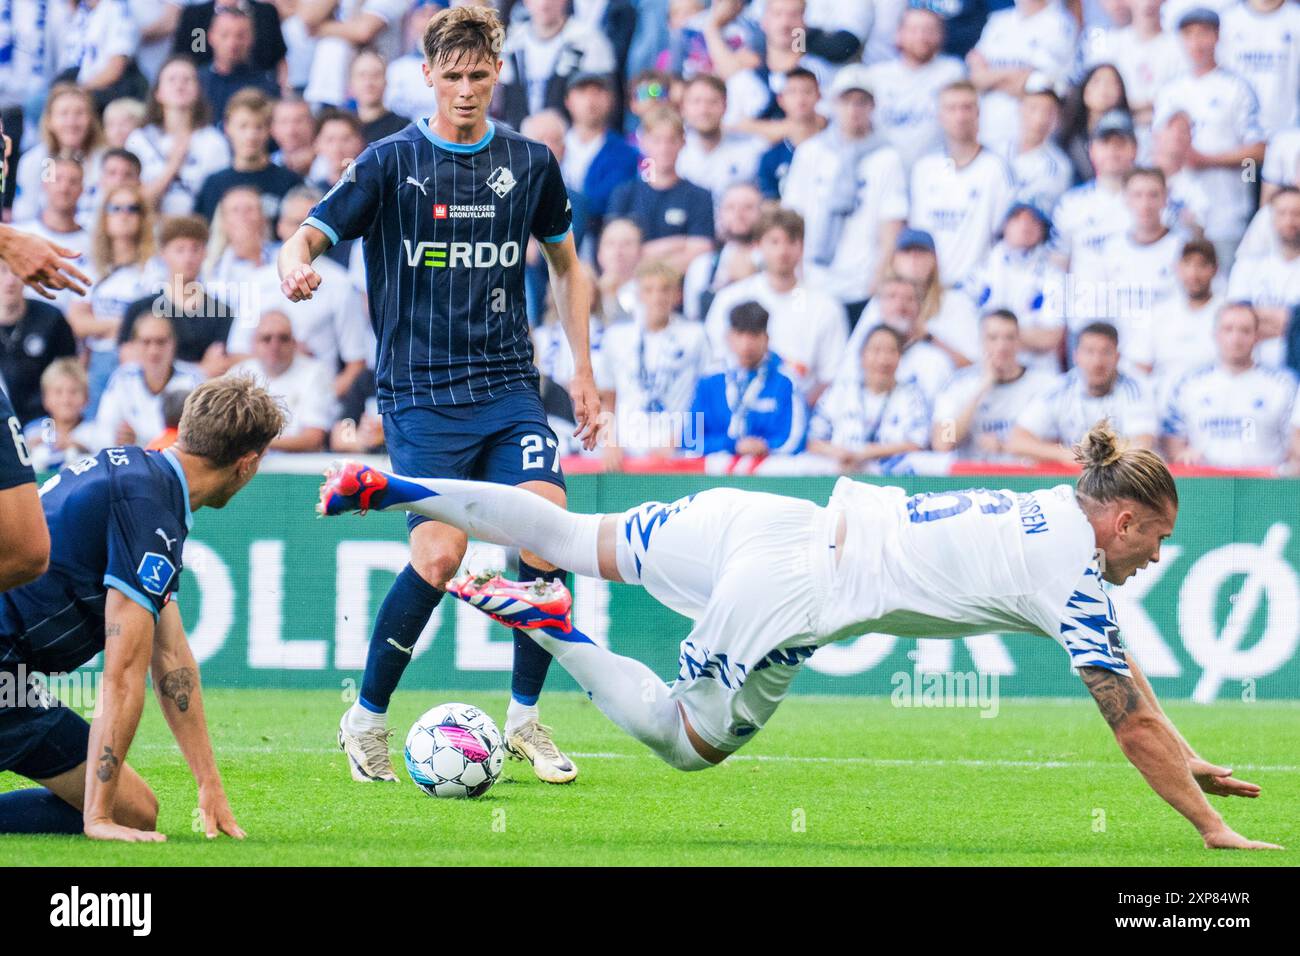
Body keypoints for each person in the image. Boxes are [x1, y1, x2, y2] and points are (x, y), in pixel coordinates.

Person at [317, 421, 1283, 851]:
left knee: (567, 534)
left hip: (764, 517)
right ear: (1124, 520)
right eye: (1157, 538)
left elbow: (1129, 676)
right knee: (684, 743)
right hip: (793, 591)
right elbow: (1125, 719)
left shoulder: (1055, 511)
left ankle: (396, 487)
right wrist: (1210, 829)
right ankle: (555, 628)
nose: (1156, 556)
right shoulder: (1074, 573)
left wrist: (1188, 755)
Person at [277, 5, 600, 787]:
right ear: (426, 76)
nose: (464, 89)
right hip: (419, 397)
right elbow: (311, 230)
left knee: (545, 539)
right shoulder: (390, 161)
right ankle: (366, 722)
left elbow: (568, 265)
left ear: (498, 73)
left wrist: (584, 370)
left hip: (508, 386)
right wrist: (295, 259)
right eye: (449, 75)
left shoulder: (531, 162)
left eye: (478, 74)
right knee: (440, 554)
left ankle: (524, 719)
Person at [0, 375, 285, 840]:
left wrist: (209, 782)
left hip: (11, 675)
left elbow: (170, 657)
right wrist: (98, 818)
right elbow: (123, 673)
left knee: (137, 808)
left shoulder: (145, 478)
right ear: (247, 464)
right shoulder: (150, 509)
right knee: (129, 813)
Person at [781, 65, 908, 316]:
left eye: (861, 102)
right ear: (833, 104)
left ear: (872, 106)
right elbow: (793, 218)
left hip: (861, 282)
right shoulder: (811, 152)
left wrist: (878, 279)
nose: (853, 110)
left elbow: (891, 226)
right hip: (814, 279)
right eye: (846, 101)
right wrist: (796, 274)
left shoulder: (887, 158)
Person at [1153, 8, 1265, 272]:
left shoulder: (1237, 88)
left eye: (1204, 33)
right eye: (1189, 34)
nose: (1197, 42)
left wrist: (1209, 160)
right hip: (1176, 218)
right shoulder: (1170, 90)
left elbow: (1257, 154)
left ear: (1217, 37)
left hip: (1226, 214)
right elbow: (1157, 148)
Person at [703, 207, 848, 404]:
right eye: (774, 242)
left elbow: (831, 376)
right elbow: (715, 363)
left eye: (791, 241)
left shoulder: (826, 307)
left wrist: (793, 412)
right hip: (735, 407)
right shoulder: (731, 298)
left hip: (801, 409)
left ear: (802, 247)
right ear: (757, 246)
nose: (782, 251)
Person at [597, 260, 710, 466]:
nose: (657, 297)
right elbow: (607, 396)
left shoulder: (695, 336)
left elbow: (704, 394)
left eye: (665, 289)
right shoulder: (616, 337)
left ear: (677, 295)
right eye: (649, 290)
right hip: (627, 450)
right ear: (639, 294)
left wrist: (683, 440)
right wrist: (609, 442)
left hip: (676, 449)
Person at [1161, 302, 1298, 469]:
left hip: (1266, 487)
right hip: (1205, 484)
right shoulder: (1188, 384)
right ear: (1215, 334)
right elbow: (1173, 443)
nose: (1236, 338)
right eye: (1228, 329)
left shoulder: (1285, 385)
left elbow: (1295, 447)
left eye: (1245, 330)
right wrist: (1183, 457)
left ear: (1257, 336)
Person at [909, 81, 1015, 287]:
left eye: (966, 107)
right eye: (951, 108)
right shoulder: (923, 168)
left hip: (975, 288)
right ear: (940, 116)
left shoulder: (996, 169)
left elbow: (1002, 238)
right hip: (927, 287)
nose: (960, 116)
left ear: (978, 113)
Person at [1007, 321, 1157, 464]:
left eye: (1105, 352)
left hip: (1118, 477)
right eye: (1089, 351)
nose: (1097, 361)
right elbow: (1017, 442)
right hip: (1074, 474)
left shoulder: (1135, 391)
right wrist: (1064, 454)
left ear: (1117, 357)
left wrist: (1096, 460)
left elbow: (1142, 447)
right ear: (1076, 355)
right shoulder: (1059, 389)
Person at [931, 309, 1054, 461]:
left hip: (1027, 478)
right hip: (974, 478)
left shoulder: (1044, 384)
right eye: (993, 338)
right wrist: (982, 389)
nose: (1002, 346)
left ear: (1019, 341)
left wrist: (1006, 446)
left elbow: (1058, 442)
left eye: (1009, 338)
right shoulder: (958, 385)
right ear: (981, 341)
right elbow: (943, 442)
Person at [807, 323, 929, 474]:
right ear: (862, 355)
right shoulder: (839, 392)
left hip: (892, 475)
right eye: (876, 351)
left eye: (891, 351)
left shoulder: (911, 395)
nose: (883, 360)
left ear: (900, 357)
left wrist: (870, 452)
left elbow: (917, 444)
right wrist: (840, 453)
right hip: (840, 470)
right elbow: (814, 442)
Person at [607, 105, 715, 275]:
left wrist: (643, 253)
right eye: (657, 140)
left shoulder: (699, 196)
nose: (664, 148)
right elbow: (614, 251)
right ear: (643, 142)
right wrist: (680, 243)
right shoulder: (625, 193)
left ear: (683, 142)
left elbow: (701, 250)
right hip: (630, 287)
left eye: (671, 140)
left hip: (683, 288)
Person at [691, 300, 805, 458]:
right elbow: (691, 439)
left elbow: (796, 440)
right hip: (717, 471)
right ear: (728, 337)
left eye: (754, 335)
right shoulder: (709, 380)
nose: (746, 344)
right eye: (740, 334)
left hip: (769, 470)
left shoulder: (786, 381)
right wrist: (732, 445)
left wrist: (765, 447)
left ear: (766, 338)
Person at [861, 7, 967, 171]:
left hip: (937, 170)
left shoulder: (953, 71)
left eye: (929, 30)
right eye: (913, 30)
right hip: (885, 170)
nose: (921, 37)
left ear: (942, 35)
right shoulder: (876, 75)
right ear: (898, 34)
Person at [125, 55, 233, 216]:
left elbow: (221, 199)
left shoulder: (214, 141)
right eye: (172, 79)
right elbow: (131, 203)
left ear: (198, 90)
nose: (180, 85)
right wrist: (173, 165)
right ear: (158, 93)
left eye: (187, 79)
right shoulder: (138, 140)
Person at [229, 312, 336, 453]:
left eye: (283, 338)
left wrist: (252, 442)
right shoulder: (237, 373)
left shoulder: (316, 373)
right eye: (266, 338)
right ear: (254, 344)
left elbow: (313, 439)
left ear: (294, 343)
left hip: (299, 465)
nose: (275, 345)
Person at [97, 313, 205, 449]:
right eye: (146, 342)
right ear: (134, 345)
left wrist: (139, 441)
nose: (153, 350)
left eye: (160, 342)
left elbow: (199, 438)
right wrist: (117, 438)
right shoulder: (122, 378)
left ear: (173, 344)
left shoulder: (193, 380)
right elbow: (103, 429)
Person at [194, 89, 303, 222]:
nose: (251, 136)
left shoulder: (290, 182)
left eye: (258, 127)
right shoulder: (213, 185)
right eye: (243, 126)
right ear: (227, 128)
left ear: (269, 129)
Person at [0, 260, 76, 424]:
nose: (10, 280)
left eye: (16, 271)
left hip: (44, 420)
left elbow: (71, 372)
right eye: (2, 271)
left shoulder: (51, 319)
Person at [23, 359, 98, 473]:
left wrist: (80, 447)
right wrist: (27, 448)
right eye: (58, 392)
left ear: (87, 397)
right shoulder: (32, 432)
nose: (66, 400)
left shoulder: (95, 432)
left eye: (73, 392)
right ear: (45, 398)